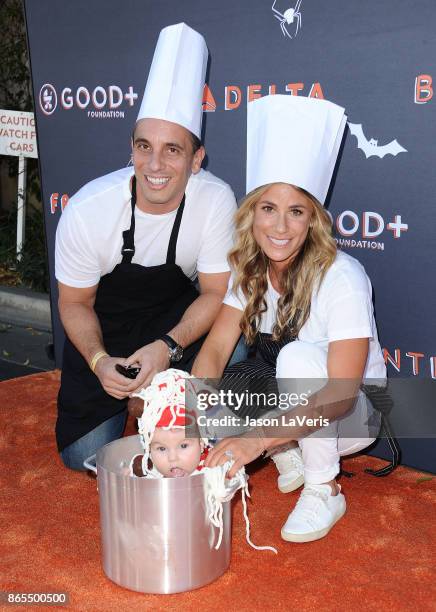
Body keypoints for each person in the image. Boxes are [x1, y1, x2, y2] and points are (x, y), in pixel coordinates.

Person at [192, 94, 387, 543]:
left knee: (297, 359)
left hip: (354, 414)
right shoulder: (253, 268)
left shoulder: (343, 276)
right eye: (268, 209)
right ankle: (289, 447)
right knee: (214, 402)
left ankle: (324, 487)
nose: (280, 227)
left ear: (313, 220)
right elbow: (217, 349)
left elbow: (339, 396)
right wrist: (190, 418)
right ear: (252, 214)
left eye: (296, 211)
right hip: (297, 401)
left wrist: (254, 440)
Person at [55, 23, 238, 471]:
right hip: (107, 334)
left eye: (173, 150)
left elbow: (216, 292)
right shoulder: (87, 209)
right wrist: (99, 361)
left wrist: (167, 348)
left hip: (175, 331)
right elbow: (75, 301)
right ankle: (148, 415)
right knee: (83, 457)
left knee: (242, 347)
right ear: (132, 149)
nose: (154, 165)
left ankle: (174, 420)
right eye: (144, 147)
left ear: (197, 159)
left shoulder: (215, 200)